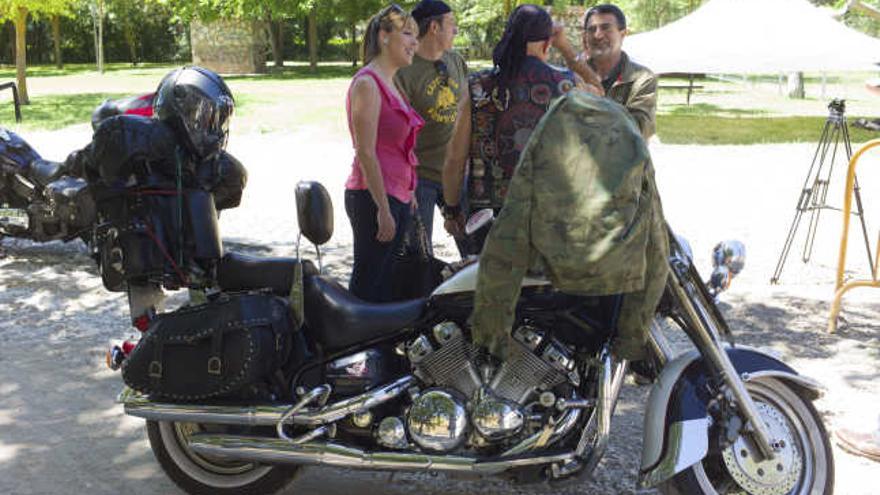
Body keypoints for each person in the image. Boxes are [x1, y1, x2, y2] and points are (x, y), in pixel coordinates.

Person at [470, 90, 669, 363]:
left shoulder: (548, 138)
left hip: (553, 273)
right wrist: (631, 339)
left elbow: (509, 233)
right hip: (615, 278)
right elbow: (658, 249)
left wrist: (492, 337)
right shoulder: (631, 143)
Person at [65, 65, 245, 322]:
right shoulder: (132, 138)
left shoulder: (215, 166)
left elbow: (230, 191)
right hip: (143, 257)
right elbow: (87, 165)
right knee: (150, 323)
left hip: (190, 261)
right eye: (205, 117)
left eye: (216, 119)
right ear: (181, 110)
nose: (213, 128)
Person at [441, 4, 602, 250]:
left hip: (490, 217)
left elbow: (454, 157)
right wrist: (568, 52)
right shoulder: (568, 85)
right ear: (547, 44)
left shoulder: (477, 86)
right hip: (552, 213)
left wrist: (451, 210)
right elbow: (600, 94)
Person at [344, 4, 424, 302]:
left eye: (416, 36)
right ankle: (353, 344)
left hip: (396, 196)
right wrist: (383, 208)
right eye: (407, 34)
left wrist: (409, 190)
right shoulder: (367, 83)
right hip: (372, 197)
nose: (414, 43)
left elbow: (397, 149)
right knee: (369, 286)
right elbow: (365, 151)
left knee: (388, 283)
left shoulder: (392, 83)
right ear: (384, 36)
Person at [395, 0, 468, 255]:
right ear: (434, 27)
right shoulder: (404, 69)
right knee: (418, 255)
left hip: (457, 176)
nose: (456, 30)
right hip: (420, 178)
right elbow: (397, 136)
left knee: (474, 250)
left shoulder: (456, 61)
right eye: (451, 24)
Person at [580, 4, 657, 140]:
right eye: (592, 29)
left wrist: (598, 104)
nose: (597, 35)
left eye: (606, 28)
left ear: (623, 34)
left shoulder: (642, 78)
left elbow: (640, 130)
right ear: (585, 37)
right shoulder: (575, 75)